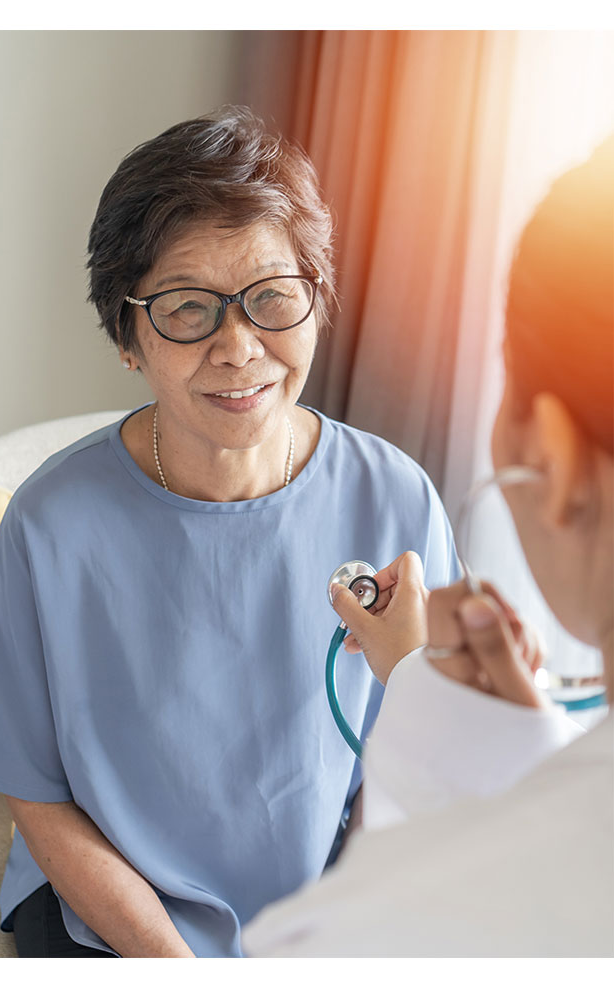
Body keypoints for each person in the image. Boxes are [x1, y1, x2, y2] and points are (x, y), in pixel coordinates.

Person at [0, 107, 458, 957]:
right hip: (112, 924)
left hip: (323, 918)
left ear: (316, 303)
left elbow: (428, 759)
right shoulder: (47, 528)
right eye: (186, 309)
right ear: (128, 334)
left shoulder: (397, 498)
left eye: (272, 299)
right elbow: (37, 797)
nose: (239, 347)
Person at [243, 136, 614, 957]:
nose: (236, 346)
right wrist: (516, 755)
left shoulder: (352, 939)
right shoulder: (52, 521)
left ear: (548, 461)